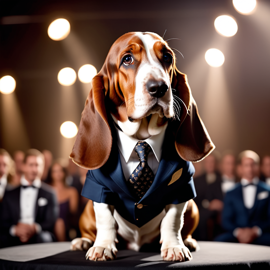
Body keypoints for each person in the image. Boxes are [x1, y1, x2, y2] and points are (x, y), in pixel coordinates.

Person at [0, 149, 58, 247]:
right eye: (31, 165)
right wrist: (15, 230)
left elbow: (51, 221)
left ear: (43, 167)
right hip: (14, 235)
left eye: (38, 165)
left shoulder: (50, 193)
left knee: (45, 238)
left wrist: (34, 228)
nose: (34, 170)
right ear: (23, 166)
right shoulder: (10, 193)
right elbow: (2, 221)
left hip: (38, 235)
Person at [215, 150, 270, 246]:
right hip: (236, 235)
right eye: (246, 165)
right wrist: (239, 232)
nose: (250, 169)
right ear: (240, 168)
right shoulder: (231, 192)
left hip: (260, 234)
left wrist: (255, 231)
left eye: (252, 165)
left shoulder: (267, 190)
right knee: (218, 242)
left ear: (257, 167)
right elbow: (225, 220)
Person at [193, 153, 223, 240]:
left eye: (212, 162)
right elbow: (195, 201)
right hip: (202, 210)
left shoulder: (221, 178)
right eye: (207, 162)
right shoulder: (197, 181)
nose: (210, 164)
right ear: (204, 164)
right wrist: (208, 205)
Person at [47, 160, 79, 241]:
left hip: (67, 224)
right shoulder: (46, 190)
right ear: (51, 174)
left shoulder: (72, 191)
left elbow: (73, 213)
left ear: (64, 172)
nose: (58, 174)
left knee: (60, 223)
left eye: (60, 170)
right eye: (55, 171)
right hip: (49, 224)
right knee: (58, 223)